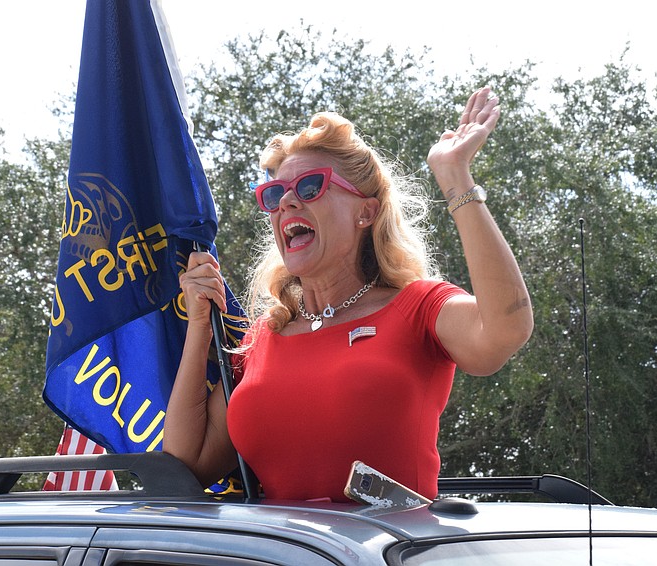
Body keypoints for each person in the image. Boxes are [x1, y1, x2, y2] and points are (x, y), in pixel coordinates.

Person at [163, 86, 533, 502]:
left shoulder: (418, 307)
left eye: (309, 187)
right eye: (273, 194)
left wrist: (455, 178)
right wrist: (199, 327)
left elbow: (504, 329)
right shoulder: (262, 338)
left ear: (365, 211)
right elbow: (185, 465)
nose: (285, 202)